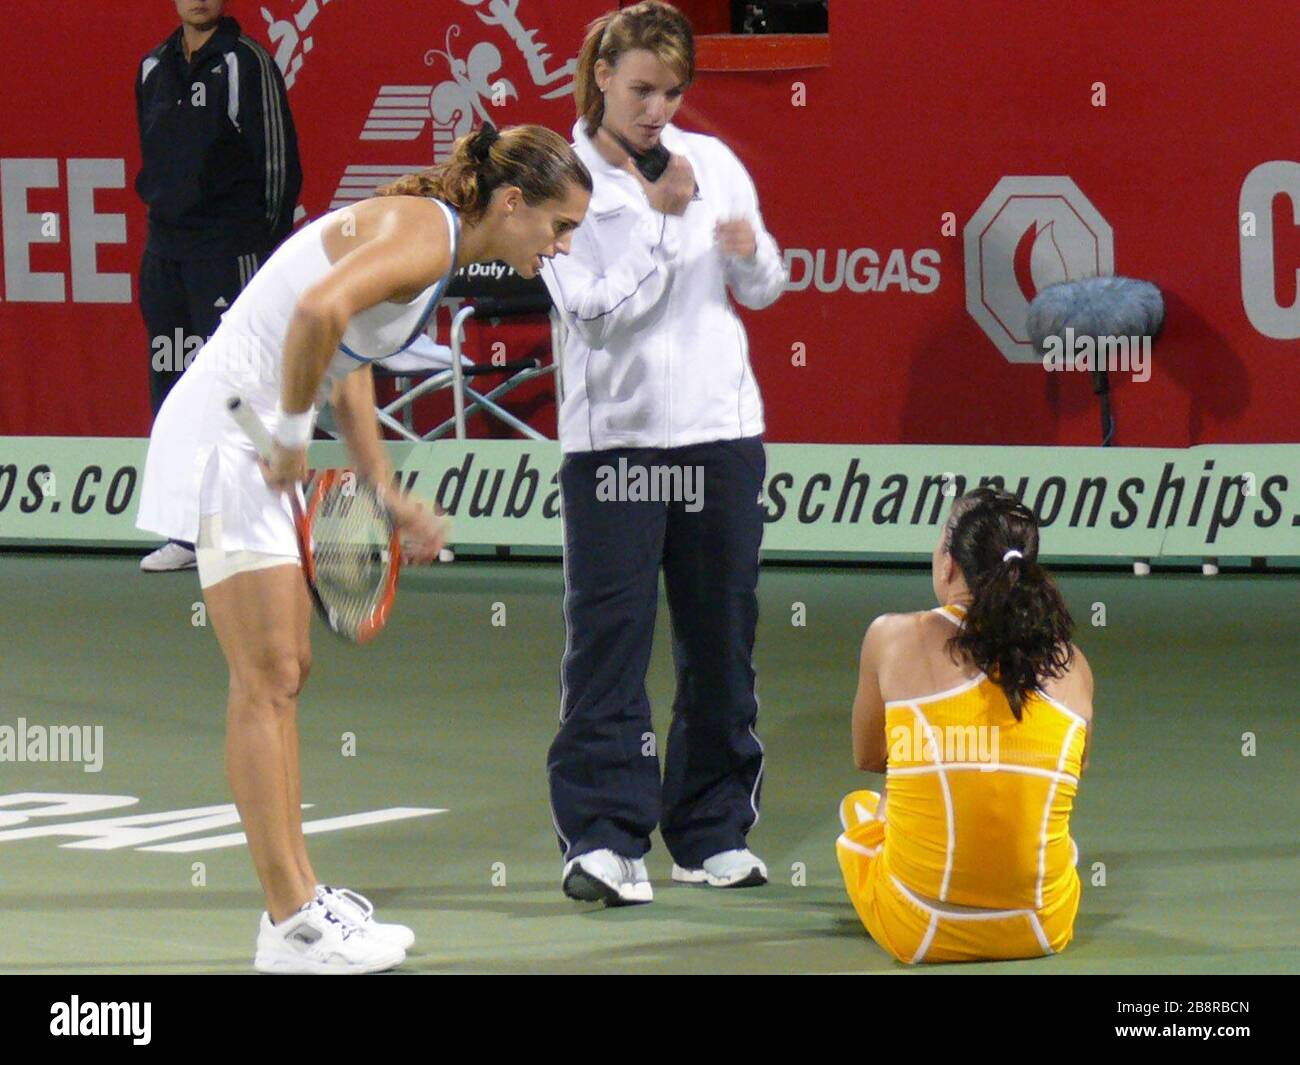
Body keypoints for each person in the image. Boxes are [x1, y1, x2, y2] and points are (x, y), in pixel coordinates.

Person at [135, 124, 592, 972]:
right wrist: (290, 436)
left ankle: (302, 899)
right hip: (228, 436)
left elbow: (345, 351)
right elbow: (316, 313)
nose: (561, 248)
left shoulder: (428, 237)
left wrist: (382, 487)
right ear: (513, 202)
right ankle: (287, 920)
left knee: (288, 672)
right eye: (558, 227)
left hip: (253, 435)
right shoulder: (426, 231)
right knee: (265, 678)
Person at [538, 1, 788, 906]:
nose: (658, 110)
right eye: (642, 89)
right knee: (610, 643)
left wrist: (751, 251)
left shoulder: (711, 163)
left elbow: (763, 286)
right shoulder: (557, 180)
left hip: (722, 439)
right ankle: (604, 840)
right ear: (602, 74)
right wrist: (654, 215)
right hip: (617, 453)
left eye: (673, 93)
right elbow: (594, 316)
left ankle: (712, 830)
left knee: (722, 641)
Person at [836, 487, 1096, 964]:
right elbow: (1074, 771)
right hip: (1042, 927)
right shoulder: (1073, 664)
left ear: (950, 564)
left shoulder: (893, 637)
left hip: (919, 928)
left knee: (867, 806)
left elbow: (869, 757)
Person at [136, 0, 302, 572]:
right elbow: (156, 160)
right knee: (176, 387)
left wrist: (262, 247)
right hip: (166, 256)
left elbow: (279, 166)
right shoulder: (153, 67)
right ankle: (188, 531)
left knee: (242, 387)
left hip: (229, 253)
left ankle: (260, 525)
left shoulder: (246, 62)